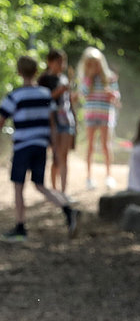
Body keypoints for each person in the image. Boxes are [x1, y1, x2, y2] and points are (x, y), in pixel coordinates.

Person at [1, 54, 78, 241]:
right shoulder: (45, 95)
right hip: (41, 145)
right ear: (36, 71)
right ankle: (68, 211)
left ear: (19, 72)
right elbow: (52, 125)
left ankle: (20, 228)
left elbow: (1, 119)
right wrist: (54, 148)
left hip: (22, 146)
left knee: (18, 186)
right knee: (40, 185)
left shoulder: (15, 96)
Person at [77, 47, 120, 190]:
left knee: (106, 145)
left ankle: (109, 176)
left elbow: (117, 95)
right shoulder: (86, 78)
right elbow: (83, 93)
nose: (94, 67)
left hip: (105, 115)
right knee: (90, 146)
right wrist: (88, 79)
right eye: (90, 64)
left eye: (96, 63)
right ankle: (89, 177)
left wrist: (112, 95)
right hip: (91, 115)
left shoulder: (109, 77)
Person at [38, 49, 76, 195]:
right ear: (50, 62)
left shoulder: (64, 79)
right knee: (56, 157)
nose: (62, 64)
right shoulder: (43, 80)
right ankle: (54, 190)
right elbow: (43, 100)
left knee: (64, 156)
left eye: (63, 61)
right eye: (58, 61)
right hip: (52, 122)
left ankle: (63, 192)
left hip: (66, 120)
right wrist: (59, 91)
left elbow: (69, 102)